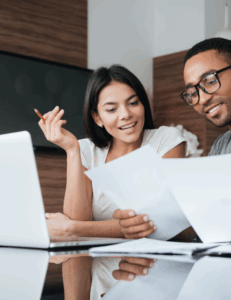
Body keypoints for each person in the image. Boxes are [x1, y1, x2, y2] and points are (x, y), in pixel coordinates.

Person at [115, 38, 231, 244]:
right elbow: (210, 224)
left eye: (209, 81)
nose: (201, 99)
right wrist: (146, 224)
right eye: (192, 92)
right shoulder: (220, 146)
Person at [38, 64, 187, 239]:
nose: (125, 114)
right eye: (111, 109)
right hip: (96, 263)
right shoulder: (86, 150)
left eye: (133, 103)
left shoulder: (166, 140)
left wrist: (72, 229)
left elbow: (155, 222)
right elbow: (77, 220)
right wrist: (72, 151)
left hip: (152, 261)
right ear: (97, 117)